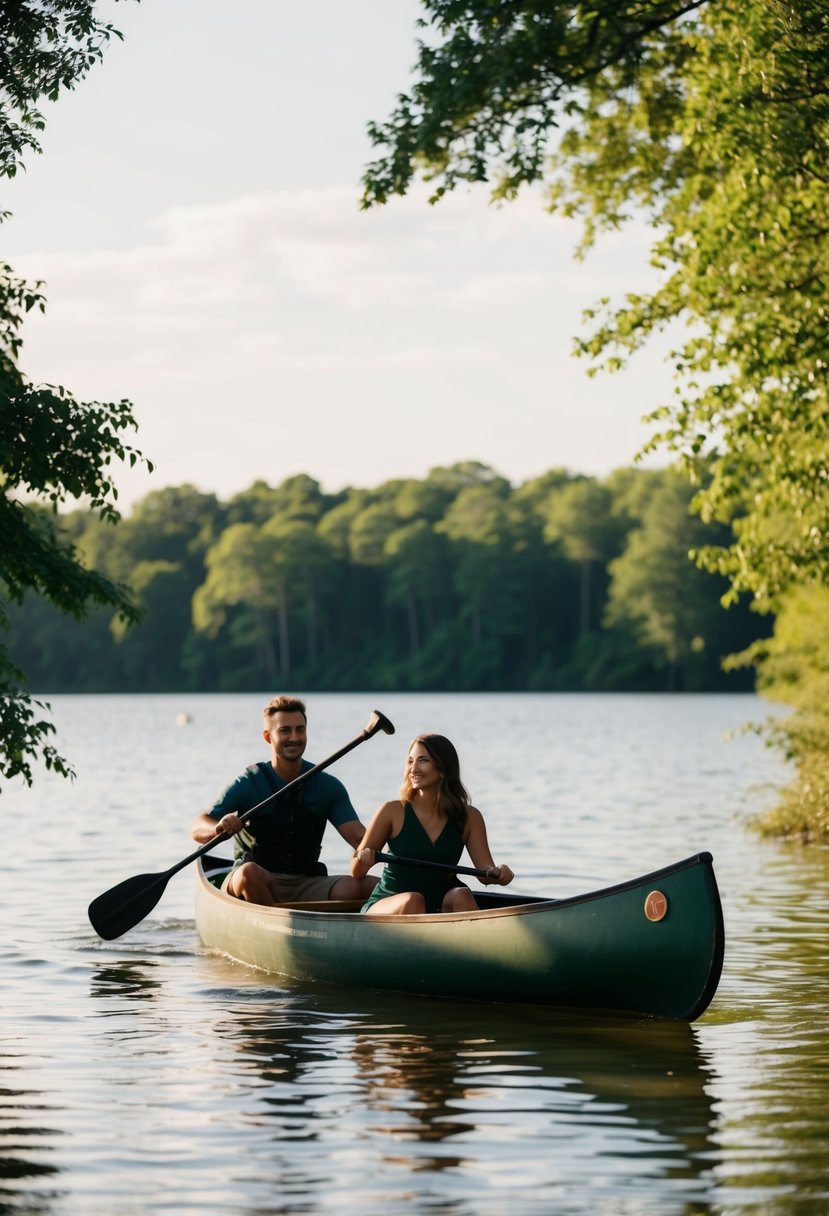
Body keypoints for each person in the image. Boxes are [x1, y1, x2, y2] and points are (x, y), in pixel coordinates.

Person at [191, 695, 376, 905]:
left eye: (300, 729)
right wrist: (217, 828)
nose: (294, 737)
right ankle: (276, 921)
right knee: (249, 873)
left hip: (307, 884)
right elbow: (197, 828)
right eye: (285, 730)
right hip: (252, 881)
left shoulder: (328, 786)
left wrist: (376, 850)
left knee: (371, 886)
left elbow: (361, 839)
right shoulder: (249, 782)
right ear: (268, 737)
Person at [351, 733, 513, 915]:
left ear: (443, 768)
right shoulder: (391, 811)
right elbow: (356, 872)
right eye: (410, 761)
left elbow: (485, 873)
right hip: (389, 903)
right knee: (413, 900)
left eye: (422, 760)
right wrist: (365, 859)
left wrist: (500, 874)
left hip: (439, 905)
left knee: (462, 894)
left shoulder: (470, 817)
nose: (413, 769)